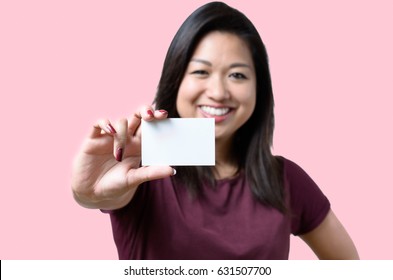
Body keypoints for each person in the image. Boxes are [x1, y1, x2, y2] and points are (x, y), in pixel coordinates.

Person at [71, 1, 359, 259]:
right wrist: (90, 191)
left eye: (237, 75)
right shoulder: (140, 172)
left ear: (258, 87)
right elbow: (100, 195)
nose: (219, 92)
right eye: (201, 72)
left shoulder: (286, 180)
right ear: (176, 80)